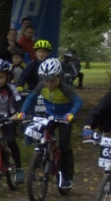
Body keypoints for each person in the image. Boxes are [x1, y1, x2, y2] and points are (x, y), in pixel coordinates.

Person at [19, 57, 83, 190]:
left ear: (59, 77)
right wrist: (23, 112)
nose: (48, 84)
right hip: (50, 115)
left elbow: (78, 101)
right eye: (45, 81)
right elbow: (30, 98)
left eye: (52, 81)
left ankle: (66, 176)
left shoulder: (64, 88)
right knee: (37, 130)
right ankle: (40, 155)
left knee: (64, 146)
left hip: (64, 118)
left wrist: (71, 114)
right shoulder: (41, 85)